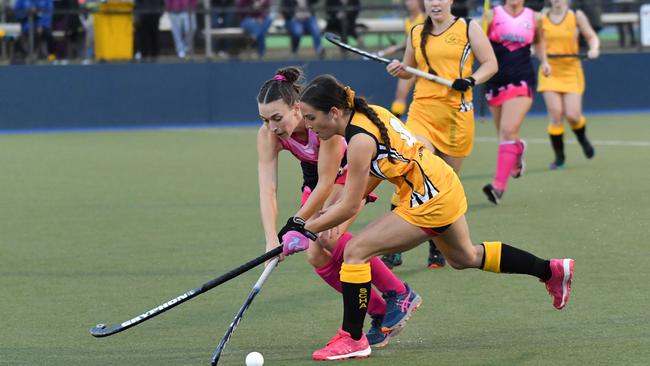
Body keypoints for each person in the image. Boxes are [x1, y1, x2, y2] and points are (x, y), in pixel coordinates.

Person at [286, 75, 574, 361]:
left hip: (429, 200)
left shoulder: (360, 139)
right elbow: (374, 174)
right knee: (464, 257)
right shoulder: (368, 116)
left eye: (311, 117)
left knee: (355, 251)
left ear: (334, 112)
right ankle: (550, 271)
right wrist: (326, 217)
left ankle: (352, 338)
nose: (308, 125)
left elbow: (349, 205)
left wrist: (304, 228)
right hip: (442, 185)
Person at [257, 66, 422, 348]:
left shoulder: (321, 127)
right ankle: (380, 314)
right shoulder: (268, 134)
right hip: (315, 182)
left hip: (348, 174)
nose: (272, 126)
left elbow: (326, 184)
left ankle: (399, 293)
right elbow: (267, 188)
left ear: (297, 109)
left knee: (326, 237)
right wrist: (272, 238)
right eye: (264, 119)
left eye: (277, 118)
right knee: (315, 256)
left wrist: (296, 224)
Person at [382, 0, 498, 268]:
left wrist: (471, 80)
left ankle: (436, 249)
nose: (435, 2)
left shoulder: (469, 28)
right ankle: (393, 248)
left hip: (456, 116)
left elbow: (490, 64)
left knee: (443, 187)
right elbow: (408, 71)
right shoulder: (416, 31)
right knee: (410, 169)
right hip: (422, 111)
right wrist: (398, 70)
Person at [482, 0, 551, 205]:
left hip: (522, 79)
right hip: (495, 82)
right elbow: (477, 45)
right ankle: (518, 149)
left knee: (507, 131)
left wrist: (544, 61)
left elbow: (538, 42)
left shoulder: (535, 17)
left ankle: (498, 187)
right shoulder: (490, 16)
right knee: (504, 135)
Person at [538, 0, 599, 169]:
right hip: (549, 69)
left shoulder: (576, 16)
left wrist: (594, 48)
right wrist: (541, 59)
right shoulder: (542, 18)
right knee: (556, 115)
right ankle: (560, 158)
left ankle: (583, 140)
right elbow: (537, 44)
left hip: (572, 70)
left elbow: (591, 36)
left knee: (573, 115)